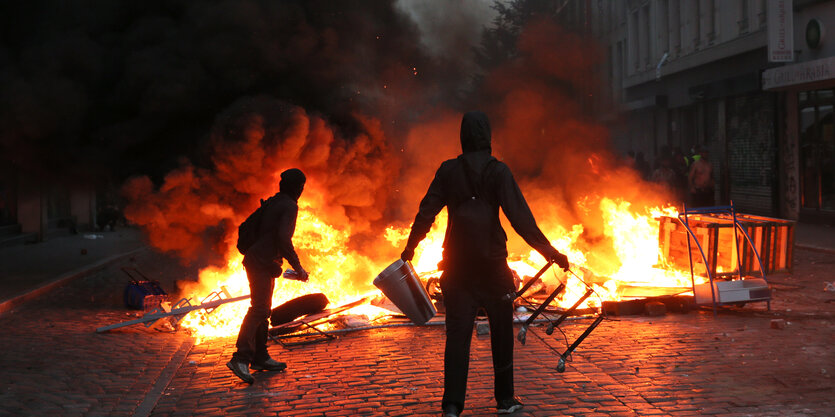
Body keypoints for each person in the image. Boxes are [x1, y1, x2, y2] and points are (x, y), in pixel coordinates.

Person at [400, 111, 569, 417]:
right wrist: (550, 252)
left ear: (462, 136)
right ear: (488, 137)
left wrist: (410, 246)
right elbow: (521, 219)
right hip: (493, 265)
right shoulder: (498, 172)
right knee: (502, 332)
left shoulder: (448, 171)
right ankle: (505, 399)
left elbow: (427, 211)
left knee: (458, 335)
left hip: (457, 266)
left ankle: (452, 405)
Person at [227, 168, 310, 384]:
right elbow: (284, 239)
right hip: (260, 263)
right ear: (298, 187)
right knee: (260, 309)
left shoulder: (276, 201)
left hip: (263, 261)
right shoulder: (289, 205)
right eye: (301, 186)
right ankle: (241, 357)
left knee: (264, 309)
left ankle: (261, 357)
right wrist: (298, 267)